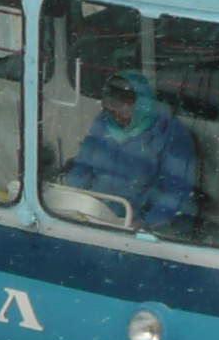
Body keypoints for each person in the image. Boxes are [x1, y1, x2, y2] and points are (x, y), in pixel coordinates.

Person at [60, 70, 202, 233]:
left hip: (143, 223)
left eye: (123, 107)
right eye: (111, 108)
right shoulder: (104, 122)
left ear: (142, 103)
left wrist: (146, 223)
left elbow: (176, 191)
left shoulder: (171, 133)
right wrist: (75, 196)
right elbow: (82, 166)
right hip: (98, 212)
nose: (117, 115)